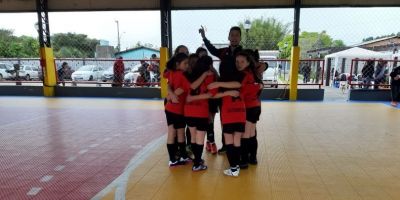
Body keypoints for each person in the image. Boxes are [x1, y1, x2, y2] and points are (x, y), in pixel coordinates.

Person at [200, 26, 267, 153]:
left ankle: (244, 148)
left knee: (246, 121)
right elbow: (212, 50)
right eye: (232, 35)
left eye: (237, 35)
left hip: (239, 89)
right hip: (224, 89)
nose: (234, 37)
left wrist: (265, 66)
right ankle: (226, 144)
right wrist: (204, 37)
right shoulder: (223, 52)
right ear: (228, 37)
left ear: (240, 38)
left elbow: (257, 63)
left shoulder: (245, 52)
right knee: (225, 117)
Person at [184, 55, 218, 171]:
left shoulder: (190, 74)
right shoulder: (210, 75)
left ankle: (196, 161)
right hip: (201, 111)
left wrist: (193, 98)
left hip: (189, 110)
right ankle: (197, 164)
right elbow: (211, 94)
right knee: (199, 138)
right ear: (209, 65)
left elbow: (188, 91)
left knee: (193, 137)